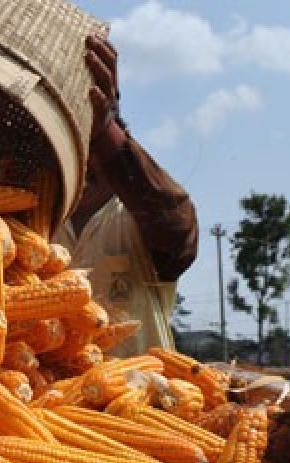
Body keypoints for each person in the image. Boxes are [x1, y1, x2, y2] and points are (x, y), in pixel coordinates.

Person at [54, 33, 198, 352]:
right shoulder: (36, 228)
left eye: (94, 145)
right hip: (50, 401)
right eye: (73, 145)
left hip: (142, 399)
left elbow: (178, 228)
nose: (86, 159)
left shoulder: (136, 221)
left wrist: (105, 124)